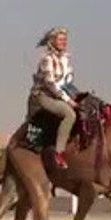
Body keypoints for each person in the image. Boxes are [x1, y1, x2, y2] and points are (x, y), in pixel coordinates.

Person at [28, 27, 78, 169]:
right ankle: (59, 153)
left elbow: (67, 81)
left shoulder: (65, 58)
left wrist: (74, 95)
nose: (64, 42)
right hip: (44, 96)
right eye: (60, 39)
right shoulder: (47, 59)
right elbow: (51, 84)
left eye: (65, 39)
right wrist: (67, 100)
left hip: (60, 94)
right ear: (52, 41)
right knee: (69, 115)